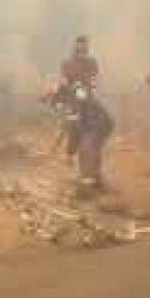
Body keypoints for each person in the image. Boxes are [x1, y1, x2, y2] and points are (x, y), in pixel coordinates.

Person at [56, 35, 113, 193]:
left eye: (84, 49)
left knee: (89, 146)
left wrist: (69, 153)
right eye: (79, 48)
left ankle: (92, 179)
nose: (81, 51)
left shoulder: (91, 63)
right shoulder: (67, 64)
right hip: (79, 104)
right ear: (74, 48)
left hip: (92, 115)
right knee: (87, 144)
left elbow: (94, 80)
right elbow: (64, 83)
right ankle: (92, 179)